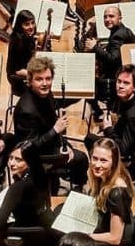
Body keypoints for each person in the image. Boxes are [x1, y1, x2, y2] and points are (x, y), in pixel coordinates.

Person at [14, 56, 87, 189]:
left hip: (50, 144)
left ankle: (70, 184)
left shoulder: (46, 94)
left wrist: (65, 146)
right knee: (81, 159)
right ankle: (77, 188)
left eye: (48, 78)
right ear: (30, 81)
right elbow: (28, 148)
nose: (45, 83)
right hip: (37, 156)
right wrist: (55, 130)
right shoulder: (26, 110)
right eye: (39, 79)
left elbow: (51, 125)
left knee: (75, 154)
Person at [0, 142, 57, 246]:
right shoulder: (42, 175)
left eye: (18, 160)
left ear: (29, 162)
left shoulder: (18, 187)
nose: (12, 163)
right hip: (41, 235)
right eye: (11, 158)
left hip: (23, 238)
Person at [88, 64, 135, 188]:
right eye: (119, 81)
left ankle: (105, 178)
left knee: (90, 140)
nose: (120, 86)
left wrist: (108, 129)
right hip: (128, 142)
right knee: (91, 138)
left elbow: (123, 149)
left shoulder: (133, 114)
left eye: (126, 83)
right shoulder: (134, 98)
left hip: (133, 156)